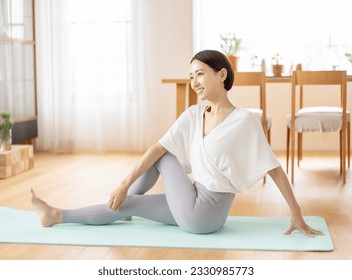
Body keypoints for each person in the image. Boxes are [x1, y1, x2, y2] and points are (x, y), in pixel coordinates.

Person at [31, 49, 323, 237]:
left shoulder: (244, 121)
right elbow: (157, 148)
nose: (194, 82)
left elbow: (273, 168)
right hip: (198, 208)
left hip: (205, 211)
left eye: (200, 74)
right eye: (191, 76)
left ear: (221, 75)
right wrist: (122, 189)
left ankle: (123, 197)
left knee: (163, 154)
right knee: (131, 197)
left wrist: (297, 213)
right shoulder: (195, 114)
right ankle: (56, 215)